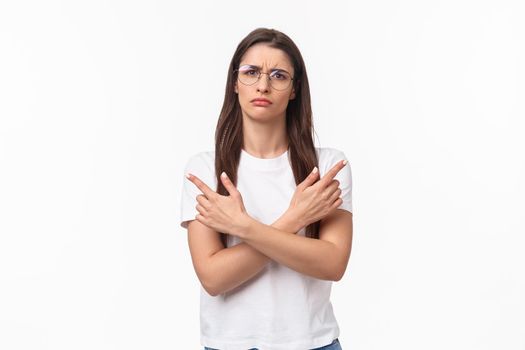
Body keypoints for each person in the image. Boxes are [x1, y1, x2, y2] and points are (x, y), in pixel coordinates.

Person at [180, 27, 353, 350]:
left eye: (278, 75)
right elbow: (214, 278)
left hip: (312, 343)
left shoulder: (328, 166)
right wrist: (295, 218)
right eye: (251, 72)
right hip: (228, 344)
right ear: (234, 83)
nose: (263, 85)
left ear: (293, 89)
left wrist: (242, 226)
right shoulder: (205, 169)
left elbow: (332, 264)